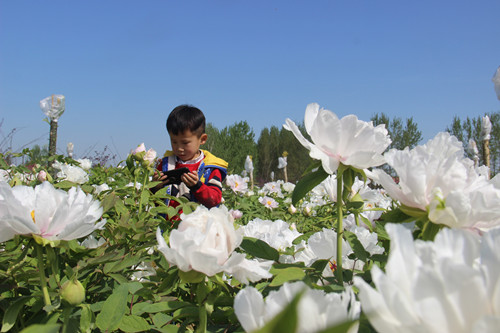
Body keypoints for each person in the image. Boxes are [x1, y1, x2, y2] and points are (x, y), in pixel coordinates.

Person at [152, 104, 228, 216]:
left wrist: (197, 186)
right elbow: (153, 200)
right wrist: (155, 186)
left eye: (185, 143)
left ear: (202, 139)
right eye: (174, 142)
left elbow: (215, 200)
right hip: (168, 226)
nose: (179, 148)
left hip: (198, 228)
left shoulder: (211, 168)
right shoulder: (165, 165)